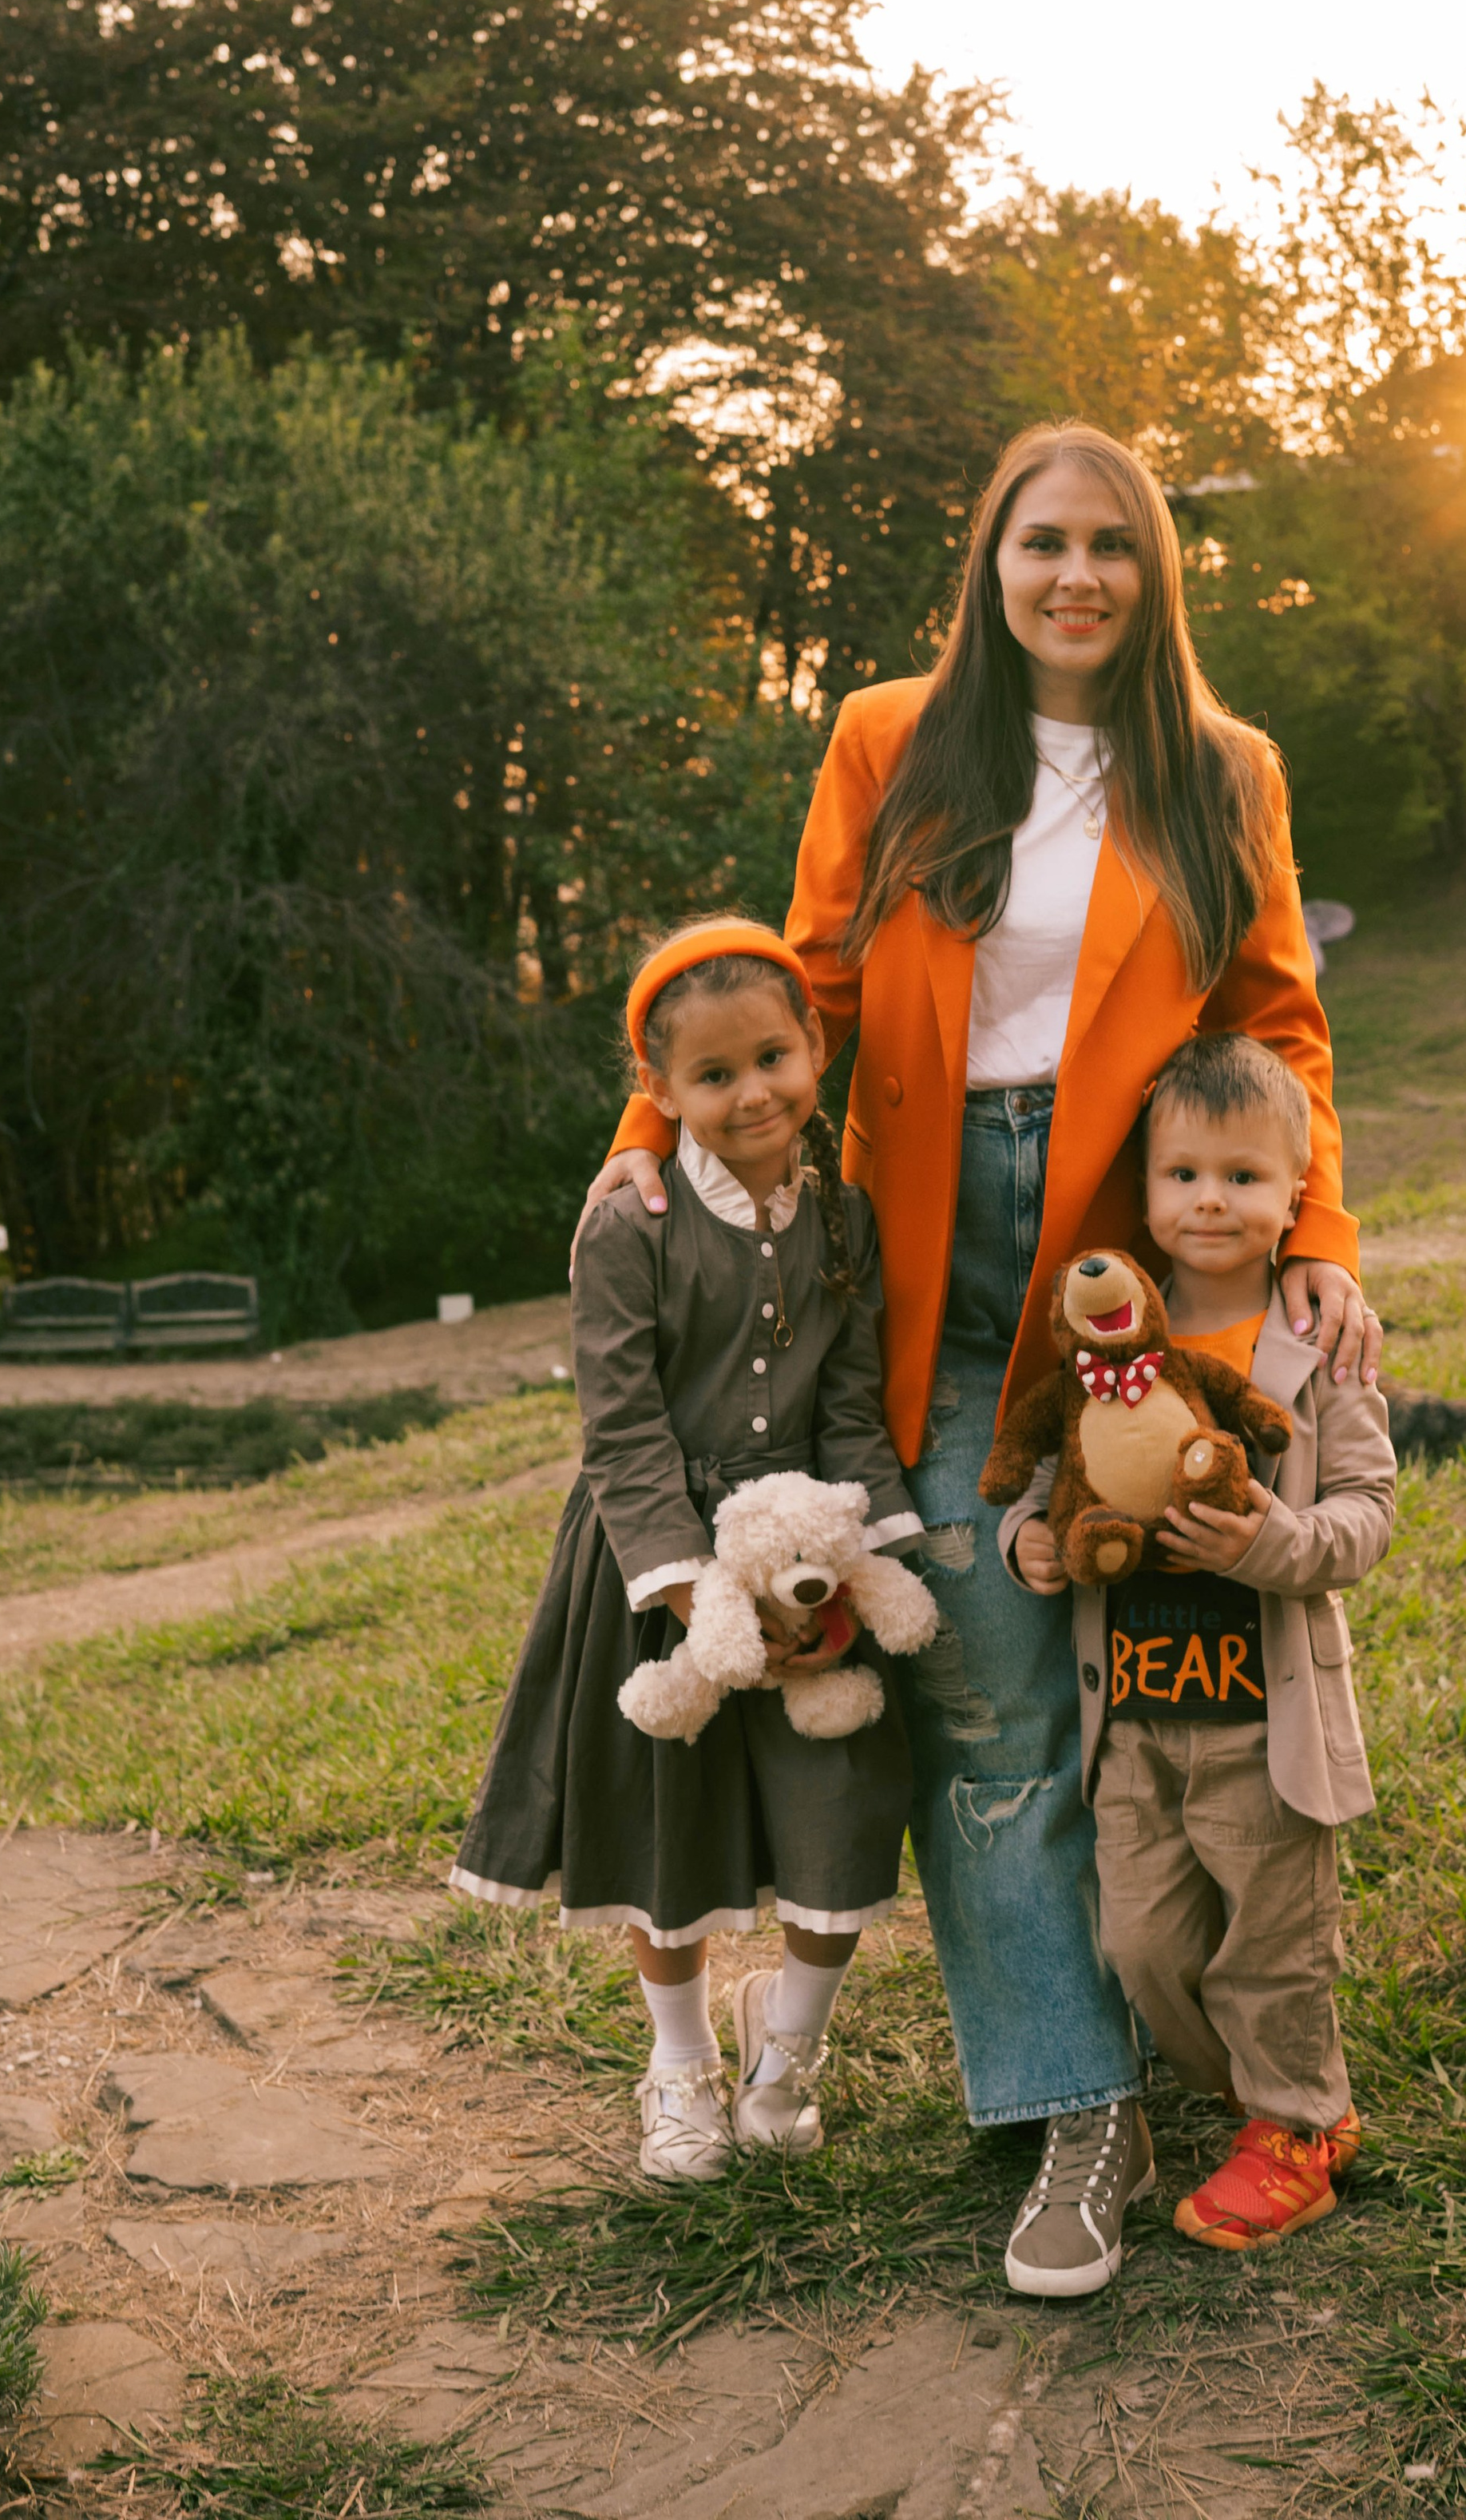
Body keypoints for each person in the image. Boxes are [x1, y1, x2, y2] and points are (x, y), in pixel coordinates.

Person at [579, 419, 1381, 2288]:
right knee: (992, 1701)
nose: (1075, 575)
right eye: (1042, 541)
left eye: (1111, 543)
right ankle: (1067, 2106)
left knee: (1166, 1672)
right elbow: (804, 990)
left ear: (1152, 569)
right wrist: (650, 1152)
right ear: (989, 560)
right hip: (924, 1263)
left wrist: (1314, 1234)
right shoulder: (889, 737)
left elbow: (1279, 1022)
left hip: (1125, 1261)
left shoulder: (1221, 770)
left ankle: (1244, 2035)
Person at [452, 919, 921, 2180]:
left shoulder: (846, 1218)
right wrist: (685, 1581)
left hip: (811, 1554)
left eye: (773, 1056)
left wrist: (876, 1559)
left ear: (814, 1044)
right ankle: (680, 2067)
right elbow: (621, 1425)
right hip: (659, 1569)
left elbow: (851, 1405)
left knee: (842, 1810)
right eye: (713, 1077)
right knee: (670, 1825)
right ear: (659, 1093)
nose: (752, 1091)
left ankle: (790, 2054)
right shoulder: (630, 1226)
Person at [1000, 1033, 1395, 2276]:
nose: (1210, 1201)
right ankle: (1247, 2098)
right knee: (1146, 1945)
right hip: (1134, 1721)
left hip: (1259, 1729)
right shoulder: (1103, 1349)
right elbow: (1040, 1483)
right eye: (1183, 1176)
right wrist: (1030, 1549)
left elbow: (1367, 1516)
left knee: (1273, 1945)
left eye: (1243, 1177)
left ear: (1296, 1200)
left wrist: (1270, 1538)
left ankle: (1300, 2124)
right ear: (1146, 1193)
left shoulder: (1314, 1344)